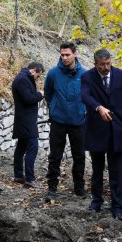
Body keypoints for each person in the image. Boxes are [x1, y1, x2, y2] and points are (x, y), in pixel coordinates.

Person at [81, 49, 122, 220]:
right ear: (95, 63)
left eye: (108, 64)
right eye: (102, 65)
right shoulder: (87, 77)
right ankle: (96, 201)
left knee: (116, 171)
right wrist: (99, 108)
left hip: (117, 131)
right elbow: (85, 96)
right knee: (97, 170)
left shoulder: (120, 75)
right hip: (97, 130)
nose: (106, 67)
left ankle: (117, 206)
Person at [43, 42, 88, 201]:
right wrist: (54, 107)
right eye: (62, 55)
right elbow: (48, 93)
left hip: (78, 120)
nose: (64, 58)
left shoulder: (85, 74)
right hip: (58, 120)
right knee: (55, 155)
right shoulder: (53, 73)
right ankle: (52, 187)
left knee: (79, 156)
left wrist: (82, 110)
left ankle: (79, 187)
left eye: (67, 54)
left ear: (75, 54)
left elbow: (89, 96)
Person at [11, 62, 45, 188]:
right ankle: (30, 179)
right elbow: (28, 99)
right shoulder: (22, 79)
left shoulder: (23, 78)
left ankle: (19, 175)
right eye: (38, 75)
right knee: (33, 147)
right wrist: (41, 94)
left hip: (24, 118)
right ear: (33, 70)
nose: (38, 78)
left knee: (21, 147)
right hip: (26, 120)